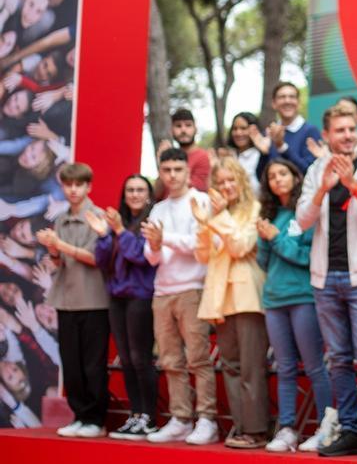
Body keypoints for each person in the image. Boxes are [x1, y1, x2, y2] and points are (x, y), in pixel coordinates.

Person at [296, 104, 357, 459]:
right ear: (326, 136)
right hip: (325, 279)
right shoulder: (315, 171)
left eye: (351, 129)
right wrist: (323, 189)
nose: (348, 135)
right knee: (338, 359)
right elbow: (302, 221)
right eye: (340, 130)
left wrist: (354, 186)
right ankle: (350, 429)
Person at [257, 158, 337, 453]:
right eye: (272, 176)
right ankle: (287, 429)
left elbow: (306, 257)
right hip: (274, 300)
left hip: (303, 297)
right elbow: (264, 262)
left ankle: (325, 426)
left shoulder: (307, 214)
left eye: (283, 173)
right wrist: (265, 240)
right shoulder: (272, 214)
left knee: (315, 366)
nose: (277, 179)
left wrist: (276, 240)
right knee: (285, 368)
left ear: (295, 176)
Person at [191, 157, 270, 449]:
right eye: (220, 182)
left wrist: (219, 217)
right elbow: (202, 255)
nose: (225, 186)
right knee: (232, 368)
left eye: (230, 180)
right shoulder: (217, 213)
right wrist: (203, 225)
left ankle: (257, 429)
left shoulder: (256, 210)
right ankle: (241, 426)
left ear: (241, 181)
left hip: (248, 297)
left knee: (251, 367)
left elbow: (240, 247)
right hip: (220, 300)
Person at [144, 148, 220, 445]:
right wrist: (153, 245)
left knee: (198, 359)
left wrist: (166, 240)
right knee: (170, 360)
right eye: (166, 170)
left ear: (188, 171)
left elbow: (202, 244)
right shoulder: (158, 209)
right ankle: (180, 418)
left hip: (193, 288)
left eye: (178, 169)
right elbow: (152, 257)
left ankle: (207, 419)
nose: (172, 176)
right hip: (162, 291)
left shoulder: (201, 202)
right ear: (161, 173)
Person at [35, 162, 109, 438]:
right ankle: (79, 415)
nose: (73, 190)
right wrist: (53, 249)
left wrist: (60, 244)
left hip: (93, 299)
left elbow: (94, 258)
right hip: (66, 298)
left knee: (93, 363)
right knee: (72, 362)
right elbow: (59, 262)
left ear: (88, 186)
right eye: (68, 185)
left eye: (79, 185)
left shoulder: (97, 217)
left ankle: (96, 419)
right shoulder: (61, 219)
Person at [89, 174, 158, 440]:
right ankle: (135, 414)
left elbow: (141, 257)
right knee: (127, 359)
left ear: (149, 194)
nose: (135, 194)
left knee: (141, 359)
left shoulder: (152, 221)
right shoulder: (119, 220)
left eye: (140, 189)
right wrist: (104, 236)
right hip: (116, 296)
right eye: (130, 190)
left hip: (141, 295)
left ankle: (149, 417)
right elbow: (101, 260)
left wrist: (117, 232)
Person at [267, 81, 323, 173]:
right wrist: (264, 153)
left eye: (292, 97)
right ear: (274, 103)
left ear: (298, 102)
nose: (287, 101)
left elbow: (309, 172)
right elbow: (262, 176)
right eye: (282, 97)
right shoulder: (269, 134)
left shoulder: (310, 131)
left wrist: (282, 147)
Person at [159, 108, 211, 192]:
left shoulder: (203, 156)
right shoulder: (169, 157)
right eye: (178, 126)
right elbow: (157, 193)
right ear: (171, 130)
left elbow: (198, 190)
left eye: (188, 125)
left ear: (195, 129)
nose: (183, 130)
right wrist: (161, 163)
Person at [228, 112, 269, 195]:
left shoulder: (260, 156)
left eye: (243, 128)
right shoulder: (231, 156)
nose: (238, 133)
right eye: (235, 129)